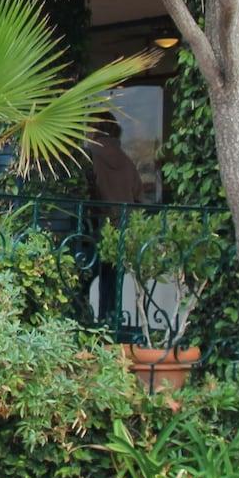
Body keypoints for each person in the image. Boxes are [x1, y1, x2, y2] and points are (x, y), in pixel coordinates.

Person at [87, 119, 142, 324]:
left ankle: (88, 323)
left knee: (87, 277)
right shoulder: (126, 161)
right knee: (113, 280)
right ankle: (111, 321)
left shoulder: (90, 155)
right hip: (122, 226)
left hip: (97, 225)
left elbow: (88, 189)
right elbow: (139, 194)